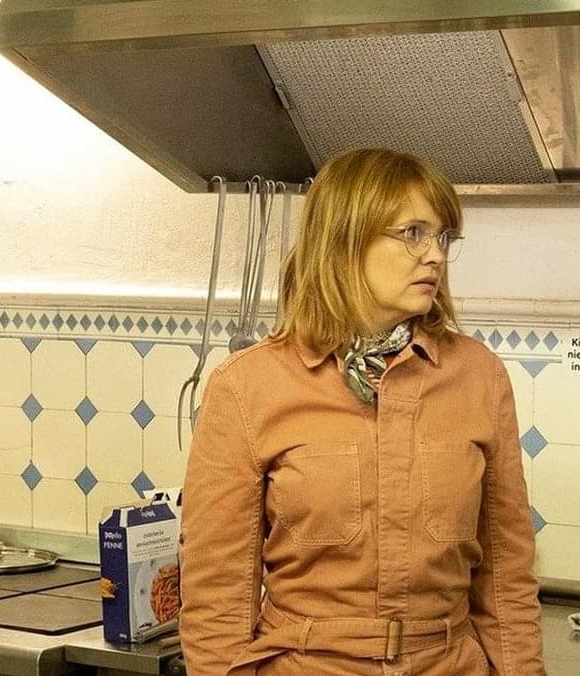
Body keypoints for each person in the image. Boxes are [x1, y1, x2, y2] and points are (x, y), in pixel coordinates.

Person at [181, 148, 546, 675]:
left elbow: (506, 576)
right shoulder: (247, 387)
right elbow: (217, 593)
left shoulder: (479, 377)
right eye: (413, 233)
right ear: (346, 239)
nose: (435, 256)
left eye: (443, 237)